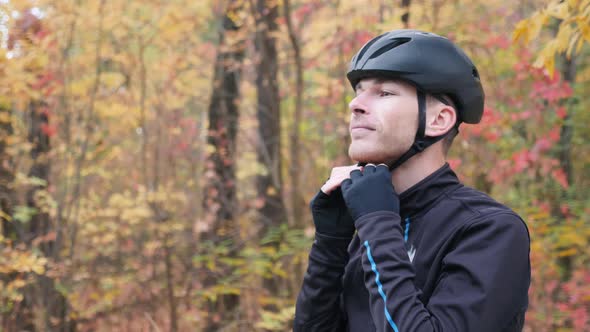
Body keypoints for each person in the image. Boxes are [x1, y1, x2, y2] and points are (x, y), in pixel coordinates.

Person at [293, 30, 530, 332]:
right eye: (359, 91)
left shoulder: (488, 229)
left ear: (438, 120)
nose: (356, 105)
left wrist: (377, 222)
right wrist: (330, 244)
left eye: (384, 93)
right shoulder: (366, 227)